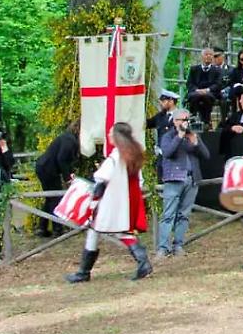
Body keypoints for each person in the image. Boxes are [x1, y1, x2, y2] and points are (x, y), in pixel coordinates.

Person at [65, 123, 152, 283]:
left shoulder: (116, 157)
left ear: (119, 136)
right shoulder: (133, 154)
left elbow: (101, 179)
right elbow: (139, 181)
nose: (110, 136)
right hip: (125, 201)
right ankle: (143, 263)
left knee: (99, 230)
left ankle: (84, 272)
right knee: (117, 231)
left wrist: (92, 197)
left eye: (112, 133)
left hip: (111, 201)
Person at [156, 108, 211, 258]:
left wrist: (196, 142)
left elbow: (206, 155)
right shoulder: (168, 136)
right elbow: (167, 153)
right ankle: (163, 248)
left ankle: (178, 245)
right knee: (168, 214)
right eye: (181, 119)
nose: (184, 122)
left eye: (187, 119)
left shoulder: (193, 134)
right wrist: (179, 136)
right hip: (174, 179)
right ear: (174, 121)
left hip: (191, 178)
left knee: (184, 215)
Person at [34, 120, 80, 237]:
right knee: (55, 198)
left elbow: (63, 160)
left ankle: (42, 227)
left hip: (44, 167)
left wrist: (69, 174)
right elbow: (62, 159)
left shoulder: (66, 138)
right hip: (48, 169)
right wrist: (67, 178)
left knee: (50, 198)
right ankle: (57, 229)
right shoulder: (69, 140)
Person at [146, 89, 180, 181]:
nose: (161, 103)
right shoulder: (160, 116)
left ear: (171, 101)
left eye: (164, 101)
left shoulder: (180, 116)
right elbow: (147, 123)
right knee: (160, 178)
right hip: (161, 154)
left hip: (175, 154)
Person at [185, 49, 221, 129]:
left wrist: (207, 90)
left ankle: (206, 121)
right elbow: (189, 83)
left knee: (207, 96)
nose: (208, 56)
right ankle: (193, 118)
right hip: (196, 91)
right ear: (202, 56)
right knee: (194, 96)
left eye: (210, 55)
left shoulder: (217, 70)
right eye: (206, 54)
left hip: (210, 92)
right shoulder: (194, 69)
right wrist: (197, 90)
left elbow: (218, 84)